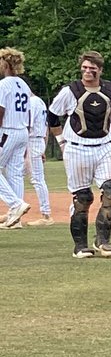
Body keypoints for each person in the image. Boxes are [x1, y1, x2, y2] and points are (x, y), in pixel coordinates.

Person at [48, 51, 111, 256]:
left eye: (92, 68)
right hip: (76, 147)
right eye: (84, 68)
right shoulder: (70, 91)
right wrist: (61, 141)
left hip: (103, 147)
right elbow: (53, 116)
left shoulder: (110, 91)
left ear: (100, 70)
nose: (88, 72)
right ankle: (80, 246)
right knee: (82, 197)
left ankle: (103, 241)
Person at [0, 48, 34, 228]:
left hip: (7, 130)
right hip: (22, 131)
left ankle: (15, 204)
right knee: (14, 172)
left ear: (5, 63)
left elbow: (1, 110)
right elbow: (28, 113)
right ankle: (16, 219)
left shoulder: (3, 85)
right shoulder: (23, 85)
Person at [23, 91, 53, 226]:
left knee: (37, 179)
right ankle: (14, 211)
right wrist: (44, 147)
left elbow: (28, 124)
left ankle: (46, 216)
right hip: (37, 140)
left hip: (31, 141)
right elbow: (46, 127)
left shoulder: (32, 102)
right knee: (16, 174)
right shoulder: (40, 101)